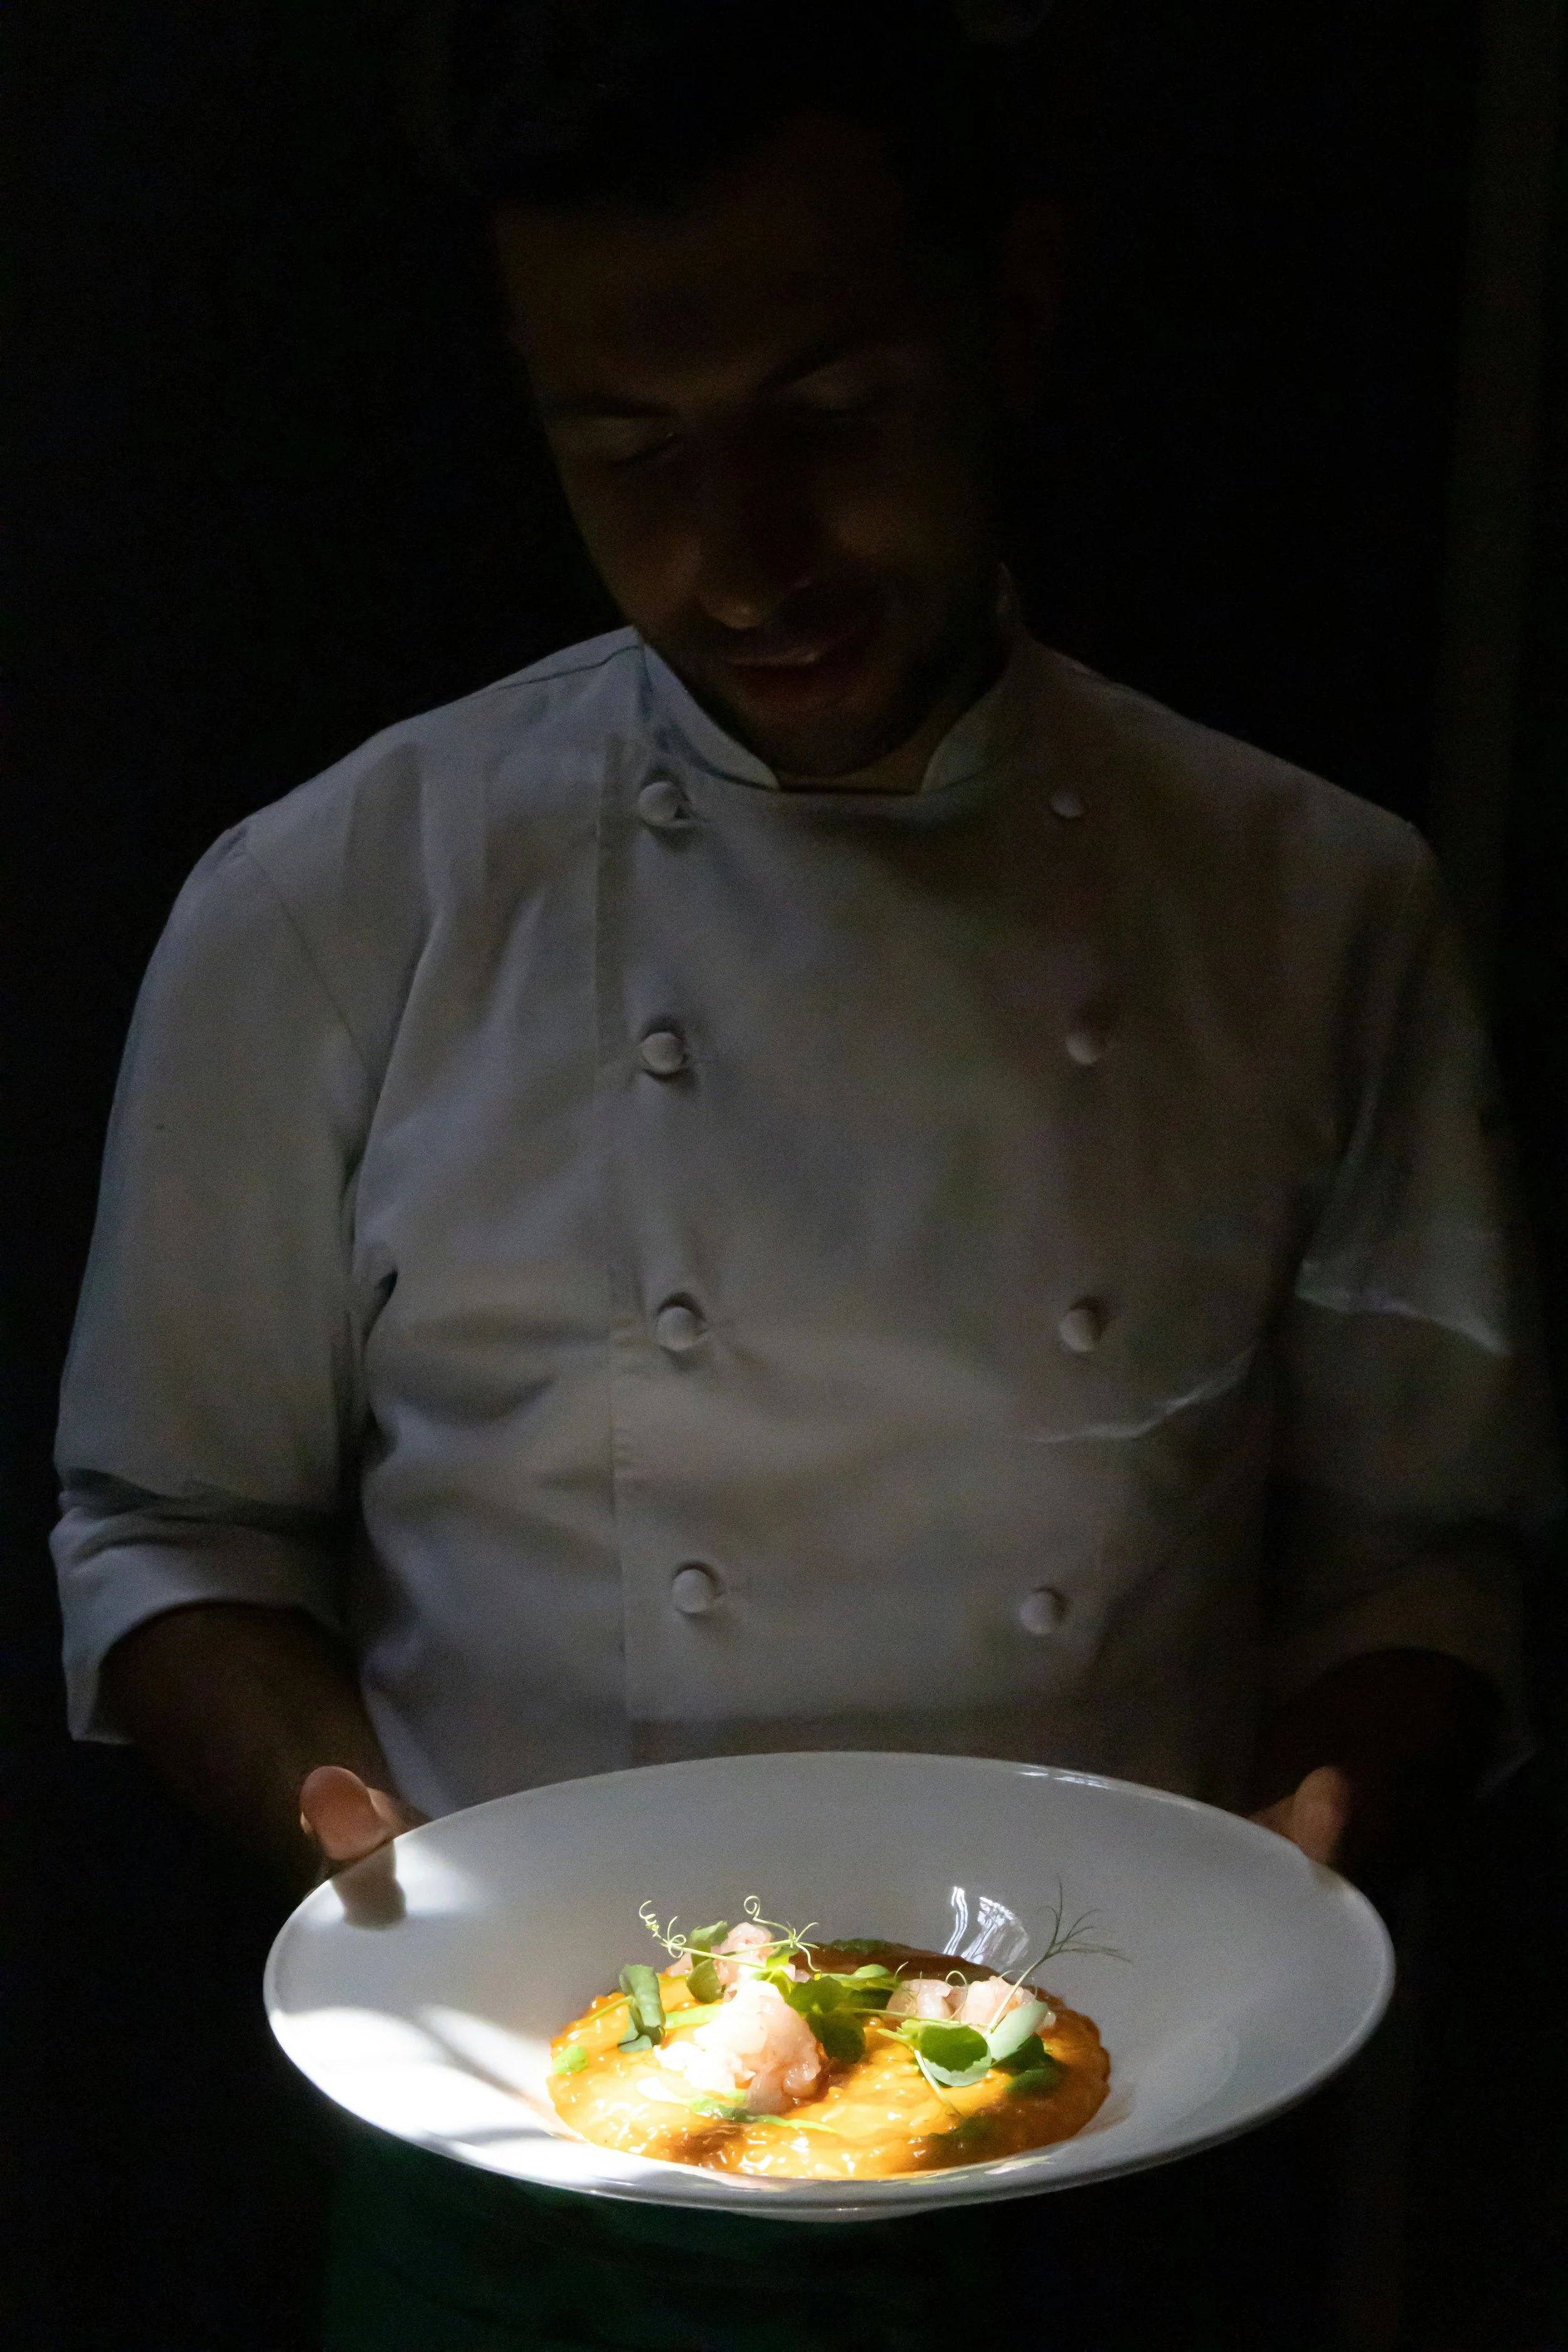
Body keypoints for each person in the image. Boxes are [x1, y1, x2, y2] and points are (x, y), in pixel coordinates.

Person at [51, 2, 1557, 2344]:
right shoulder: (332, 900)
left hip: (1106, 2202)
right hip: (516, 2202)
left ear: (1012, 317)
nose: (740, 558)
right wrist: (339, 1817)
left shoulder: (1313, 906)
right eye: (628, 449)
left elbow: (1423, 1556)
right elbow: (164, 1527)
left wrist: (1316, 1836)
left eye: (831, 416)